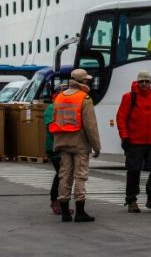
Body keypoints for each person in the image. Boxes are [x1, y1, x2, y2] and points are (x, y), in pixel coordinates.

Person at [49, 68, 101, 222]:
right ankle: (80, 212)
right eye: (87, 80)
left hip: (62, 142)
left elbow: (55, 120)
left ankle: (65, 212)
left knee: (64, 176)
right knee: (80, 176)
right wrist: (96, 146)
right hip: (79, 144)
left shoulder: (59, 97)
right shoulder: (84, 98)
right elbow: (91, 126)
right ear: (83, 81)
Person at [116, 70, 151, 213]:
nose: (144, 84)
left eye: (147, 81)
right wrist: (124, 137)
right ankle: (131, 200)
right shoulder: (129, 97)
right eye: (141, 81)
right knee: (133, 171)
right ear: (137, 82)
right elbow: (121, 118)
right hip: (134, 141)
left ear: (150, 83)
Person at [42, 84, 61, 215]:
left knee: (63, 174)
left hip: (63, 145)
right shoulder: (51, 108)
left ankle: (59, 201)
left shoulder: (64, 108)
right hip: (54, 146)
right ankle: (55, 200)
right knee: (61, 174)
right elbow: (51, 127)